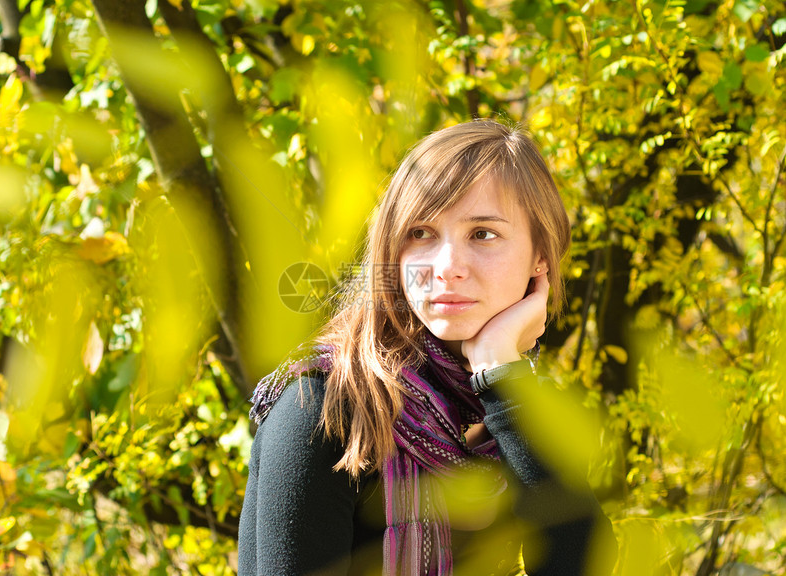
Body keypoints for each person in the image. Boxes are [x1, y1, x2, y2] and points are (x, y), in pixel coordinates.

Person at [237, 119, 618, 575]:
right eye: (421, 233)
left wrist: (499, 372)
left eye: (483, 234)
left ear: (541, 256)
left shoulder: (511, 409)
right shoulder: (325, 407)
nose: (447, 267)